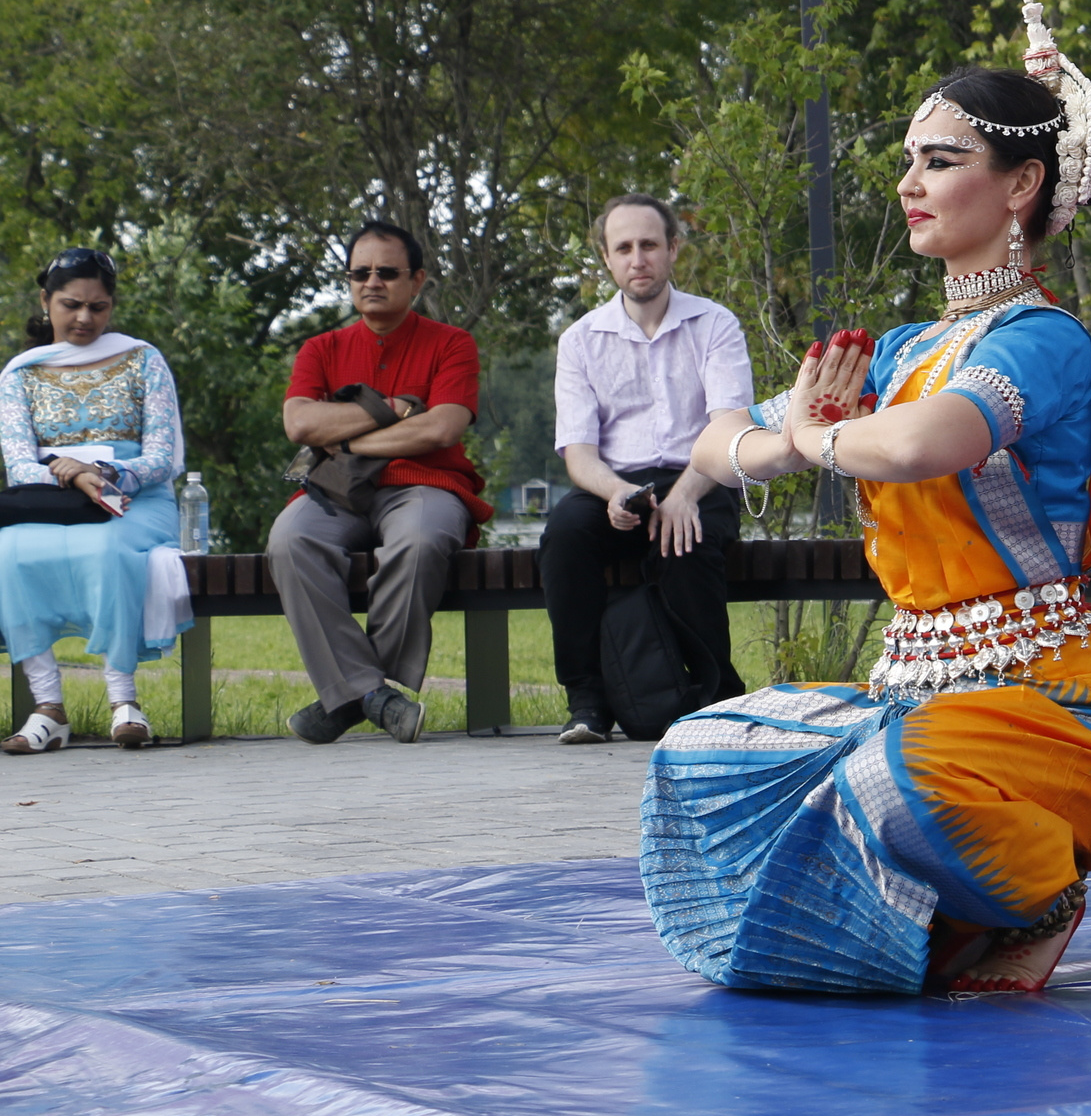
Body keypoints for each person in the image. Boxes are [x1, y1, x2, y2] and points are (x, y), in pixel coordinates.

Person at [644, 0, 1091, 998]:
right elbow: (711, 442)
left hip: (1054, 697)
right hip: (916, 688)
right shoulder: (897, 352)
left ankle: (1039, 884)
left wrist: (810, 437)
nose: (910, 184)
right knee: (702, 755)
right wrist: (788, 441)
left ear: (1020, 183)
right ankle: (950, 926)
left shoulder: (1043, 341)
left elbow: (926, 441)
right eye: (910, 159)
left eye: (941, 160)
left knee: (893, 789)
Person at [270, 220, 491, 746]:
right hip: (335, 489)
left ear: (416, 281)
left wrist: (344, 436)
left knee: (421, 540)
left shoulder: (452, 344)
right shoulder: (321, 349)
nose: (372, 281)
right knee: (288, 540)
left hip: (425, 484)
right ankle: (375, 695)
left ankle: (351, 693)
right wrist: (390, 410)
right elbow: (300, 425)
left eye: (387, 272)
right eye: (360, 272)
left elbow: (442, 426)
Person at [544, 194, 753, 745]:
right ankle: (586, 702)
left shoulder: (715, 324)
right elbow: (579, 452)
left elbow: (728, 427)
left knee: (684, 538)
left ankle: (715, 700)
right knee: (564, 535)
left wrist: (684, 495)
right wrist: (616, 494)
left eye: (649, 245)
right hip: (617, 483)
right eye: (624, 248)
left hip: (701, 475)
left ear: (673, 249)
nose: (638, 258)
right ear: (608, 259)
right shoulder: (581, 340)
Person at [0, 250, 189, 755]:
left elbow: (163, 457)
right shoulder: (20, 374)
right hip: (52, 498)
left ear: (111, 307)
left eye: (98, 307)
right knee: (9, 552)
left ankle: (124, 702)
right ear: (45, 302)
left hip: (135, 496)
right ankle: (48, 708)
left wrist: (103, 474)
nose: (84, 318)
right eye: (71, 304)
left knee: (109, 547)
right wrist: (70, 477)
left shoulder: (143, 359)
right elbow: (18, 463)